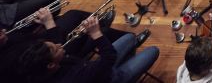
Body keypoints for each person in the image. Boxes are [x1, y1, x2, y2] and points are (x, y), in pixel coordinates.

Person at [17, 16, 159, 83]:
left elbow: (56, 44)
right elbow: (109, 57)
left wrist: (49, 23)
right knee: (153, 50)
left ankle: (127, 58)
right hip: (109, 77)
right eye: (56, 49)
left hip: (96, 69)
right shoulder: (73, 78)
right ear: (51, 65)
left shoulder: (47, 68)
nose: (60, 45)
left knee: (129, 37)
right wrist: (96, 33)